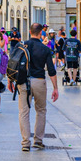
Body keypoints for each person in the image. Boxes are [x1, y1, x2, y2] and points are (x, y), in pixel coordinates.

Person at [13, 23, 59, 151]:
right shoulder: (44, 49)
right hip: (39, 81)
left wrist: (11, 81)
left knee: (23, 112)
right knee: (41, 111)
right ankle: (38, 140)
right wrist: (55, 88)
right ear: (41, 33)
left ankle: (25, 143)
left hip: (23, 82)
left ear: (29, 31)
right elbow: (51, 70)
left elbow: (13, 64)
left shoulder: (21, 45)